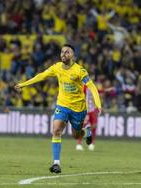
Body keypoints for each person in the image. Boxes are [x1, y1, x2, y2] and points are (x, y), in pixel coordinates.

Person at [15, 44, 102, 174]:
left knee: (76, 134)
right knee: (56, 130)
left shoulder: (80, 71)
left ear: (73, 56)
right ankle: (56, 163)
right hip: (62, 104)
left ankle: (86, 131)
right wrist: (23, 84)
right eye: (62, 52)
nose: (64, 54)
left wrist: (98, 104)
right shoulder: (56, 67)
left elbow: (92, 87)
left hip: (78, 108)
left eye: (67, 52)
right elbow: (41, 75)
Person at [76, 85, 99, 151]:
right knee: (82, 127)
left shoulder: (93, 86)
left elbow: (97, 94)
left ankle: (91, 143)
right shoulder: (83, 87)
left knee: (94, 126)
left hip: (93, 109)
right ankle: (79, 144)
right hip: (85, 110)